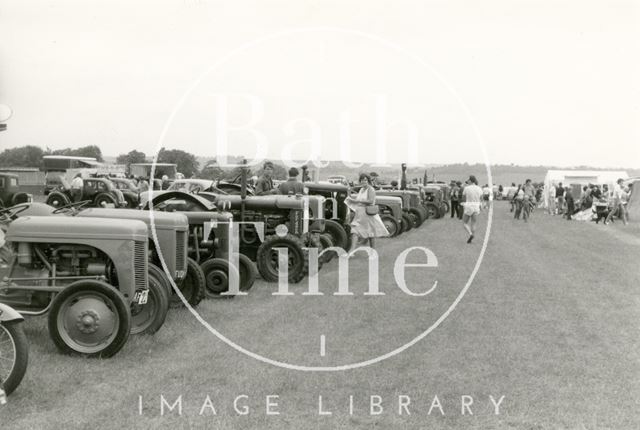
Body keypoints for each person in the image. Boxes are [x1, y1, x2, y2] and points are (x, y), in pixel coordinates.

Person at [345, 173, 389, 252]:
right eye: (362, 180)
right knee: (355, 231)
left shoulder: (370, 189)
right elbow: (358, 199)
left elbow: (371, 201)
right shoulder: (362, 189)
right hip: (360, 215)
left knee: (370, 234)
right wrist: (349, 194)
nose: (363, 181)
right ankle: (352, 251)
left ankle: (372, 251)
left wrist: (357, 201)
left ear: (368, 181)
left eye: (365, 180)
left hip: (367, 214)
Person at [461, 175, 483, 243]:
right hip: (476, 206)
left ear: (470, 180)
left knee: (464, 222)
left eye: (469, 180)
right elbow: (481, 199)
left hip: (468, 206)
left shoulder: (466, 188)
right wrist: (480, 207)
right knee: (473, 223)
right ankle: (473, 234)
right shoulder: (479, 188)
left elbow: (463, 198)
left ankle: (470, 234)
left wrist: (464, 204)